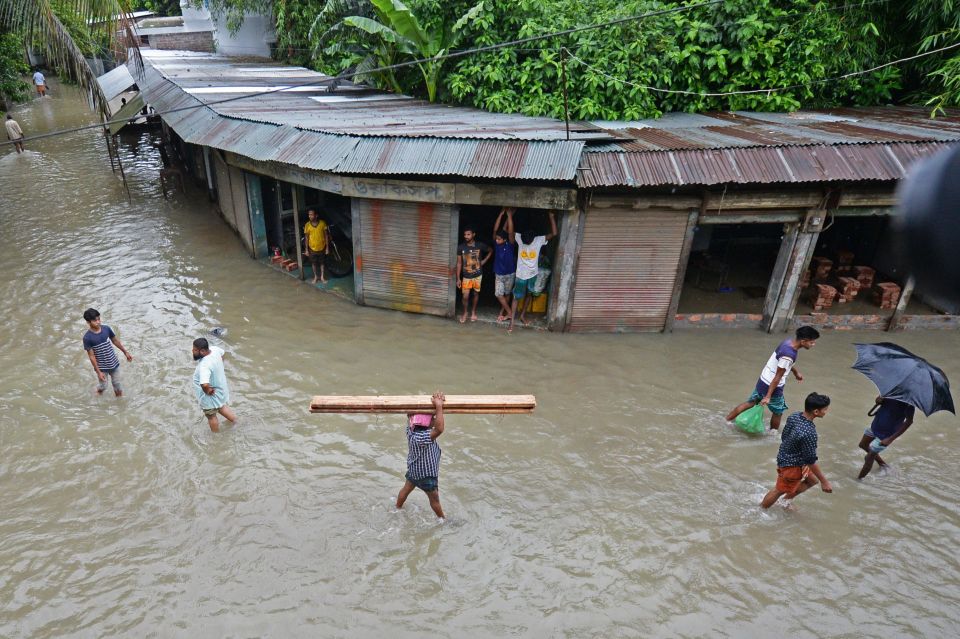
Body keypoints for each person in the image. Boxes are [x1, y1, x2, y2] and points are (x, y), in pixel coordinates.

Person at [726, 325, 820, 430]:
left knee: (750, 403)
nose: (813, 344)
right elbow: (778, 376)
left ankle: (727, 420)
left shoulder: (787, 343)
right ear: (803, 341)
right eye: (812, 342)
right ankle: (773, 434)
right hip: (773, 387)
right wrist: (768, 396)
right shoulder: (789, 355)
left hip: (763, 380)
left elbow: (783, 364)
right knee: (778, 412)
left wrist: (795, 372)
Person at [761, 392, 833, 509]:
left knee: (812, 480)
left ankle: (785, 501)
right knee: (779, 490)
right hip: (793, 466)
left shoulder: (795, 416)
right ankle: (761, 509)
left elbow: (785, 436)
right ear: (816, 412)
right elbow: (810, 460)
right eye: (825, 409)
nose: (826, 411)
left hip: (786, 455)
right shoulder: (809, 433)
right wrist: (824, 481)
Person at [396, 391, 446, 520]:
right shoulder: (422, 437)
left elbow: (410, 416)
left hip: (414, 469)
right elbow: (440, 429)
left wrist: (434, 407)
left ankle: (397, 508)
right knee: (434, 498)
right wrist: (439, 407)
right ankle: (443, 519)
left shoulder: (411, 431)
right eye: (432, 419)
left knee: (406, 489)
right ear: (425, 424)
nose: (434, 419)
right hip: (425, 475)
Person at [507, 209, 557, 333]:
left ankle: (522, 315)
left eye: (528, 242)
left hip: (533, 274)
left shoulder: (539, 240)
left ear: (533, 239)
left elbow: (554, 233)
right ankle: (512, 322)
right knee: (516, 297)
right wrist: (509, 217)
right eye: (524, 242)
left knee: (529, 294)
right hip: (520, 275)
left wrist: (551, 217)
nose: (526, 243)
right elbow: (510, 233)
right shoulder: (520, 237)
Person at [858, 396, 915, 479]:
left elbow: (909, 422)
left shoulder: (909, 405)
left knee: (869, 458)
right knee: (863, 445)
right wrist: (878, 401)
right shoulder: (889, 394)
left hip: (886, 435)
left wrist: (890, 439)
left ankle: (859, 480)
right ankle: (882, 464)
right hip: (875, 426)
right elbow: (878, 401)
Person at [82, 308, 133, 397]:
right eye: (95, 320)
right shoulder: (87, 338)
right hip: (102, 368)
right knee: (103, 386)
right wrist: (99, 372)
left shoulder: (106, 329)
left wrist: (125, 352)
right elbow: (91, 356)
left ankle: (119, 403)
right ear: (88, 322)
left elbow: (115, 341)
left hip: (114, 363)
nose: (98, 322)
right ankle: (97, 394)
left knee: (117, 385)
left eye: (99, 319)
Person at [191, 337, 237, 432]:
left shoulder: (204, 365)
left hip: (209, 397)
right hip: (220, 390)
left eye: (195, 350)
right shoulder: (215, 350)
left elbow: (204, 384)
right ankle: (236, 421)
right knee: (221, 406)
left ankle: (216, 435)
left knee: (211, 416)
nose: (192, 351)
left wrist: (208, 390)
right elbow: (222, 354)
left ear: (202, 351)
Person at [455, 226, 492, 323]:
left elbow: (491, 250)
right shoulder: (461, 247)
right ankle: (465, 312)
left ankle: (473, 312)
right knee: (465, 296)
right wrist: (458, 278)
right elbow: (459, 263)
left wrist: (484, 261)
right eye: (465, 234)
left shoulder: (480, 245)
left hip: (477, 275)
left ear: (473, 235)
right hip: (466, 276)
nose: (466, 236)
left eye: (468, 234)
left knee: (476, 293)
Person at [491, 207, 517, 322]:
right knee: (498, 294)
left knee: (507, 294)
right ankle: (510, 313)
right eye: (496, 239)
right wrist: (501, 214)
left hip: (510, 274)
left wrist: (510, 216)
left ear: (505, 239)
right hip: (499, 274)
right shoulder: (497, 245)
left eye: (499, 239)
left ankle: (503, 312)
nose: (497, 240)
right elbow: (495, 230)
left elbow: (510, 231)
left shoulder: (510, 244)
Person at [303, 208, 330, 284]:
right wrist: (306, 250)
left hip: (322, 247)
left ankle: (322, 277)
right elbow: (306, 238)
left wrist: (327, 248)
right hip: (312, 248)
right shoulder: (307, 225)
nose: (310, 216)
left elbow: (326, 236)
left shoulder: (322, 223)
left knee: (322, 263)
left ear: (316, 215)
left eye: (311, 214)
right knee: (313, 263)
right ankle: (315, 276)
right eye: (309, 214)